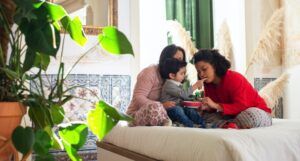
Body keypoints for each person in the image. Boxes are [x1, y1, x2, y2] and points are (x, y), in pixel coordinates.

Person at [193, 49, 272, 129]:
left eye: (204, 69)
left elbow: (241, 106)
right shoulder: (208, 83)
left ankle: (228, 124)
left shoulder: (234, 78)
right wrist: (207, 107)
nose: (201, 74)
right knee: (205, 116)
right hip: (232, 116)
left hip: (255, 112)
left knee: (249, 117)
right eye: (198, 71)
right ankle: (231, 125)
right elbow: (214, 109)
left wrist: (215, 105)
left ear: (215, 66)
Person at [126, 44, 186, 126]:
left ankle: (171, 122)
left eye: (181, 60)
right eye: (177, 59)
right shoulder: (150, 72)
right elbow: (138, 97)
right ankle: (168, 122)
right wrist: (161, 106)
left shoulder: (175, 78)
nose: (179, 63)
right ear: (166, 59)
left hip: (165, 113)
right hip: (137, 114)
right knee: (156, 108)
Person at [160, 58, 206, 127]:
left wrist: (195, 99)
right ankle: (190, 125)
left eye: (184, 73)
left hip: (178, 109)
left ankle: (203, 124)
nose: (184, 76)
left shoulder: (177, 84)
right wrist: (196, 85)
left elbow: (185, 97)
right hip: (168, 111)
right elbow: (184, 95)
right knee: (178, 109)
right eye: (182, 73)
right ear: (172, 75)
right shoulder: (168, 85)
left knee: (189, 110)